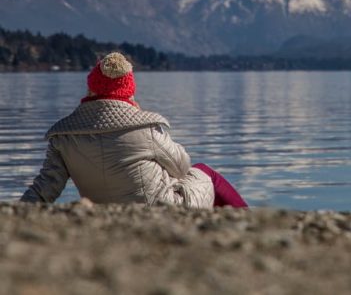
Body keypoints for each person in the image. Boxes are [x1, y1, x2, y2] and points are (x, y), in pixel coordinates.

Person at [20, 52, 247, 208]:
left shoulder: (63, 136)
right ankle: (245, 220)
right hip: (165, 210)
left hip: (105, 214)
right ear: (129, 90)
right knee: (205, 172)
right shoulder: (144, 126)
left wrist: (16, 213)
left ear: (90, 88)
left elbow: (46, 187)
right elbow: (182, 167)